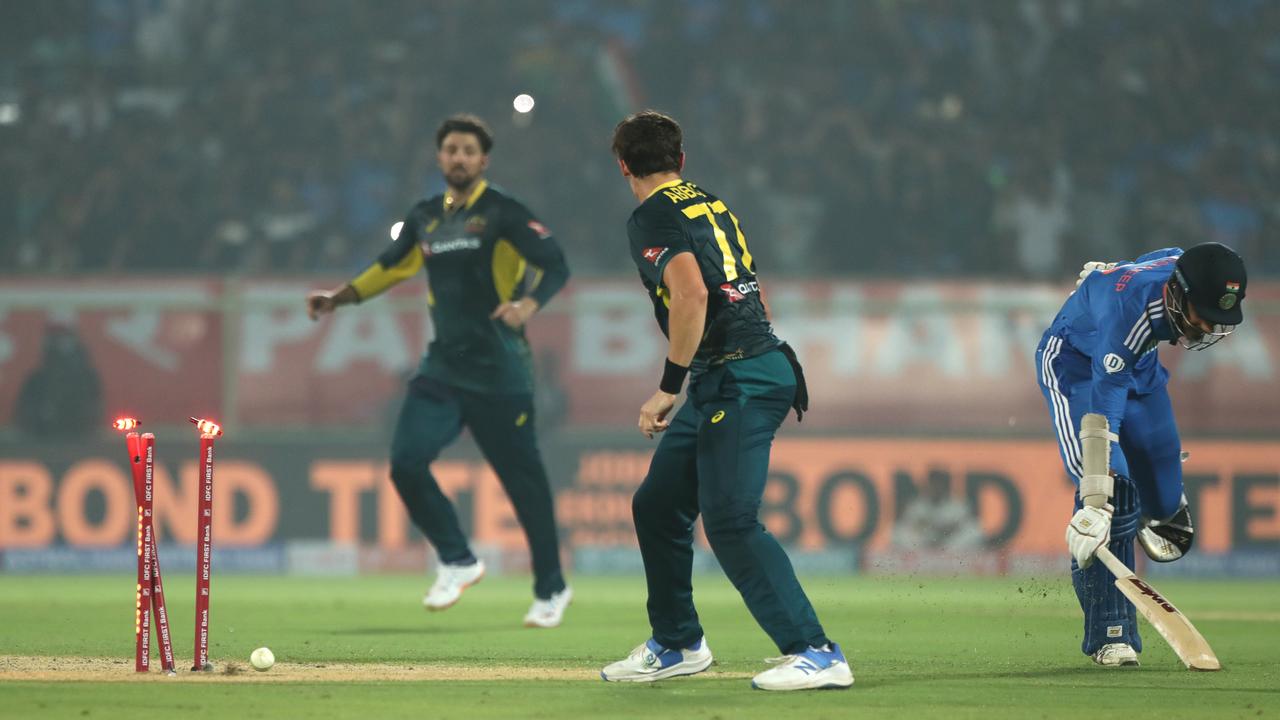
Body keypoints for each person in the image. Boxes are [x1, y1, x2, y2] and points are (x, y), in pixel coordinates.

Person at [599, 111, 853, 692]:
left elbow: (690, 294)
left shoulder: (650, 216)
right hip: (738, 370)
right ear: (680, 160)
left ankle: (815, 650)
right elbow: (743, 289)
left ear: (623, 167)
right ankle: (678, 643)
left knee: (731, 521)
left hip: (739, 378)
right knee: (658, 506)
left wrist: (668, 386)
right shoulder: (710, 202)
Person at [306, 114, 572, 628]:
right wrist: (338, 298)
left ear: (484, 160)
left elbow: (556, 263)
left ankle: (551, 589)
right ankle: (458, 559)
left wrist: (529, 305)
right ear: (439, 156)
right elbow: (392, 265)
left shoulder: (504, 213)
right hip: (445, 368)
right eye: (451, 149)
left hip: (501, 372)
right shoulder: (426, 216)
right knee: (406, 462)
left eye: (469, 150)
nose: (459, 158)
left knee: (525, 486)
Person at [1036, 243, 1247, 666]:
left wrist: (1115, 268)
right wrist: (1096, 499)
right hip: (1077, 369)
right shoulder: (1127, 314)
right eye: (1203, 312)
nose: (1208, 326)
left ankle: (1154, 502)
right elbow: (1102, 415)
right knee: (1115, 492)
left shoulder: (1179, 268)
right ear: (1176, 294)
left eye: (1218, 316)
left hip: (1140, 368)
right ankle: (1111, 634)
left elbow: (1169, 252)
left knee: (1167, 508)